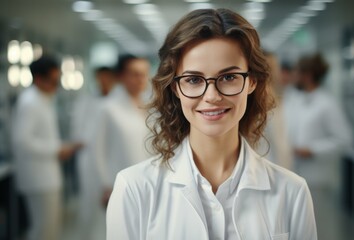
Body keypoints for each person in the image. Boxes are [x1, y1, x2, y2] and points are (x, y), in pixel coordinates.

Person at [107, 9, 317, 240]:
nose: (212, 96)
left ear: (252, 82)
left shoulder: (292, 192)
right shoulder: (134, 188)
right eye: (194, 80)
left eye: (228, 77)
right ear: (176, 87)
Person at [12, 56, 81, 240]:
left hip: (46, 176)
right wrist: (56, 149)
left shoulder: (42, 99)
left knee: (48, 229)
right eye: (52, 81)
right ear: (38, 79)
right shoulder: (30, 102)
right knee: (44, 230)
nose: (56, 86)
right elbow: (22, 141)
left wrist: (58, 148)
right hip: (39, 179)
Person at [285, 53, 353, 190]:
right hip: (294, 175)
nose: (294, 76)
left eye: (297, 72)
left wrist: (312, 150)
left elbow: (345, 140)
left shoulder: (327, 104)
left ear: (308, 75)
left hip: (318, 181)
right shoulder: (295, 99)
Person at [90, 54, 151, 208]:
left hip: (148, 183)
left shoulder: (150, 107)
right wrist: (106, 185)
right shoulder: (107, 108)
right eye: (135, 74)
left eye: (144, 74)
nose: (141, 79)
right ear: (121, 76)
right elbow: (97, 150)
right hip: (119, 185)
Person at [70, 66, 116, 239]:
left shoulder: (117, 100)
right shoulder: (87, 100)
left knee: (111, 209)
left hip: (111, 159)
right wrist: (84, 141)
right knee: (89, 204)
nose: (103, 81)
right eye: (100, 77)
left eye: (107, 77)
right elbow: (78, 129)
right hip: (88, 158)